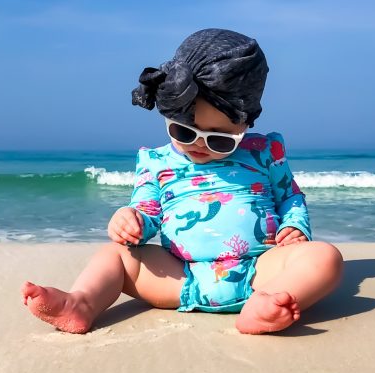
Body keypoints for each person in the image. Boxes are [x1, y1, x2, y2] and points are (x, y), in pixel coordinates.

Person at [22, 28, 343, 335]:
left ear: (244, 123)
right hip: (178, 275)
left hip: (261, 271)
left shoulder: (265, 151)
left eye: (220, 139)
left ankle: (267, 305)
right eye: (185, 132)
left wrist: (296, 227)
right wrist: (130, 221)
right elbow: (147, 212)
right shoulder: (156, 162)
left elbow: (290, 196)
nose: (200, 144)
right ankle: (81, 304)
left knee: (324, 257)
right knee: (114, 256)